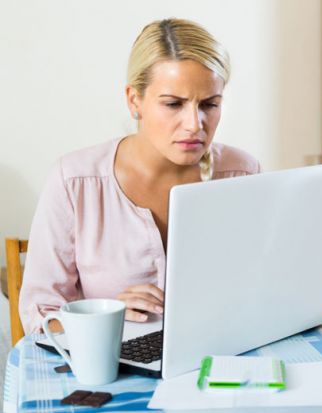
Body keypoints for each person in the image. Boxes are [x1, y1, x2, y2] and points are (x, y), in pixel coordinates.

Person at [20, 18, 260, 334]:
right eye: (173, 104)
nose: (194, 124)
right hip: (114, 370)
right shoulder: (74, 181)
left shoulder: (242, 174)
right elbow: (40, 314)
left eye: (209, 104)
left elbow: (261, 290)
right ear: (135, 100)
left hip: (219, 355)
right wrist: (107, 320)